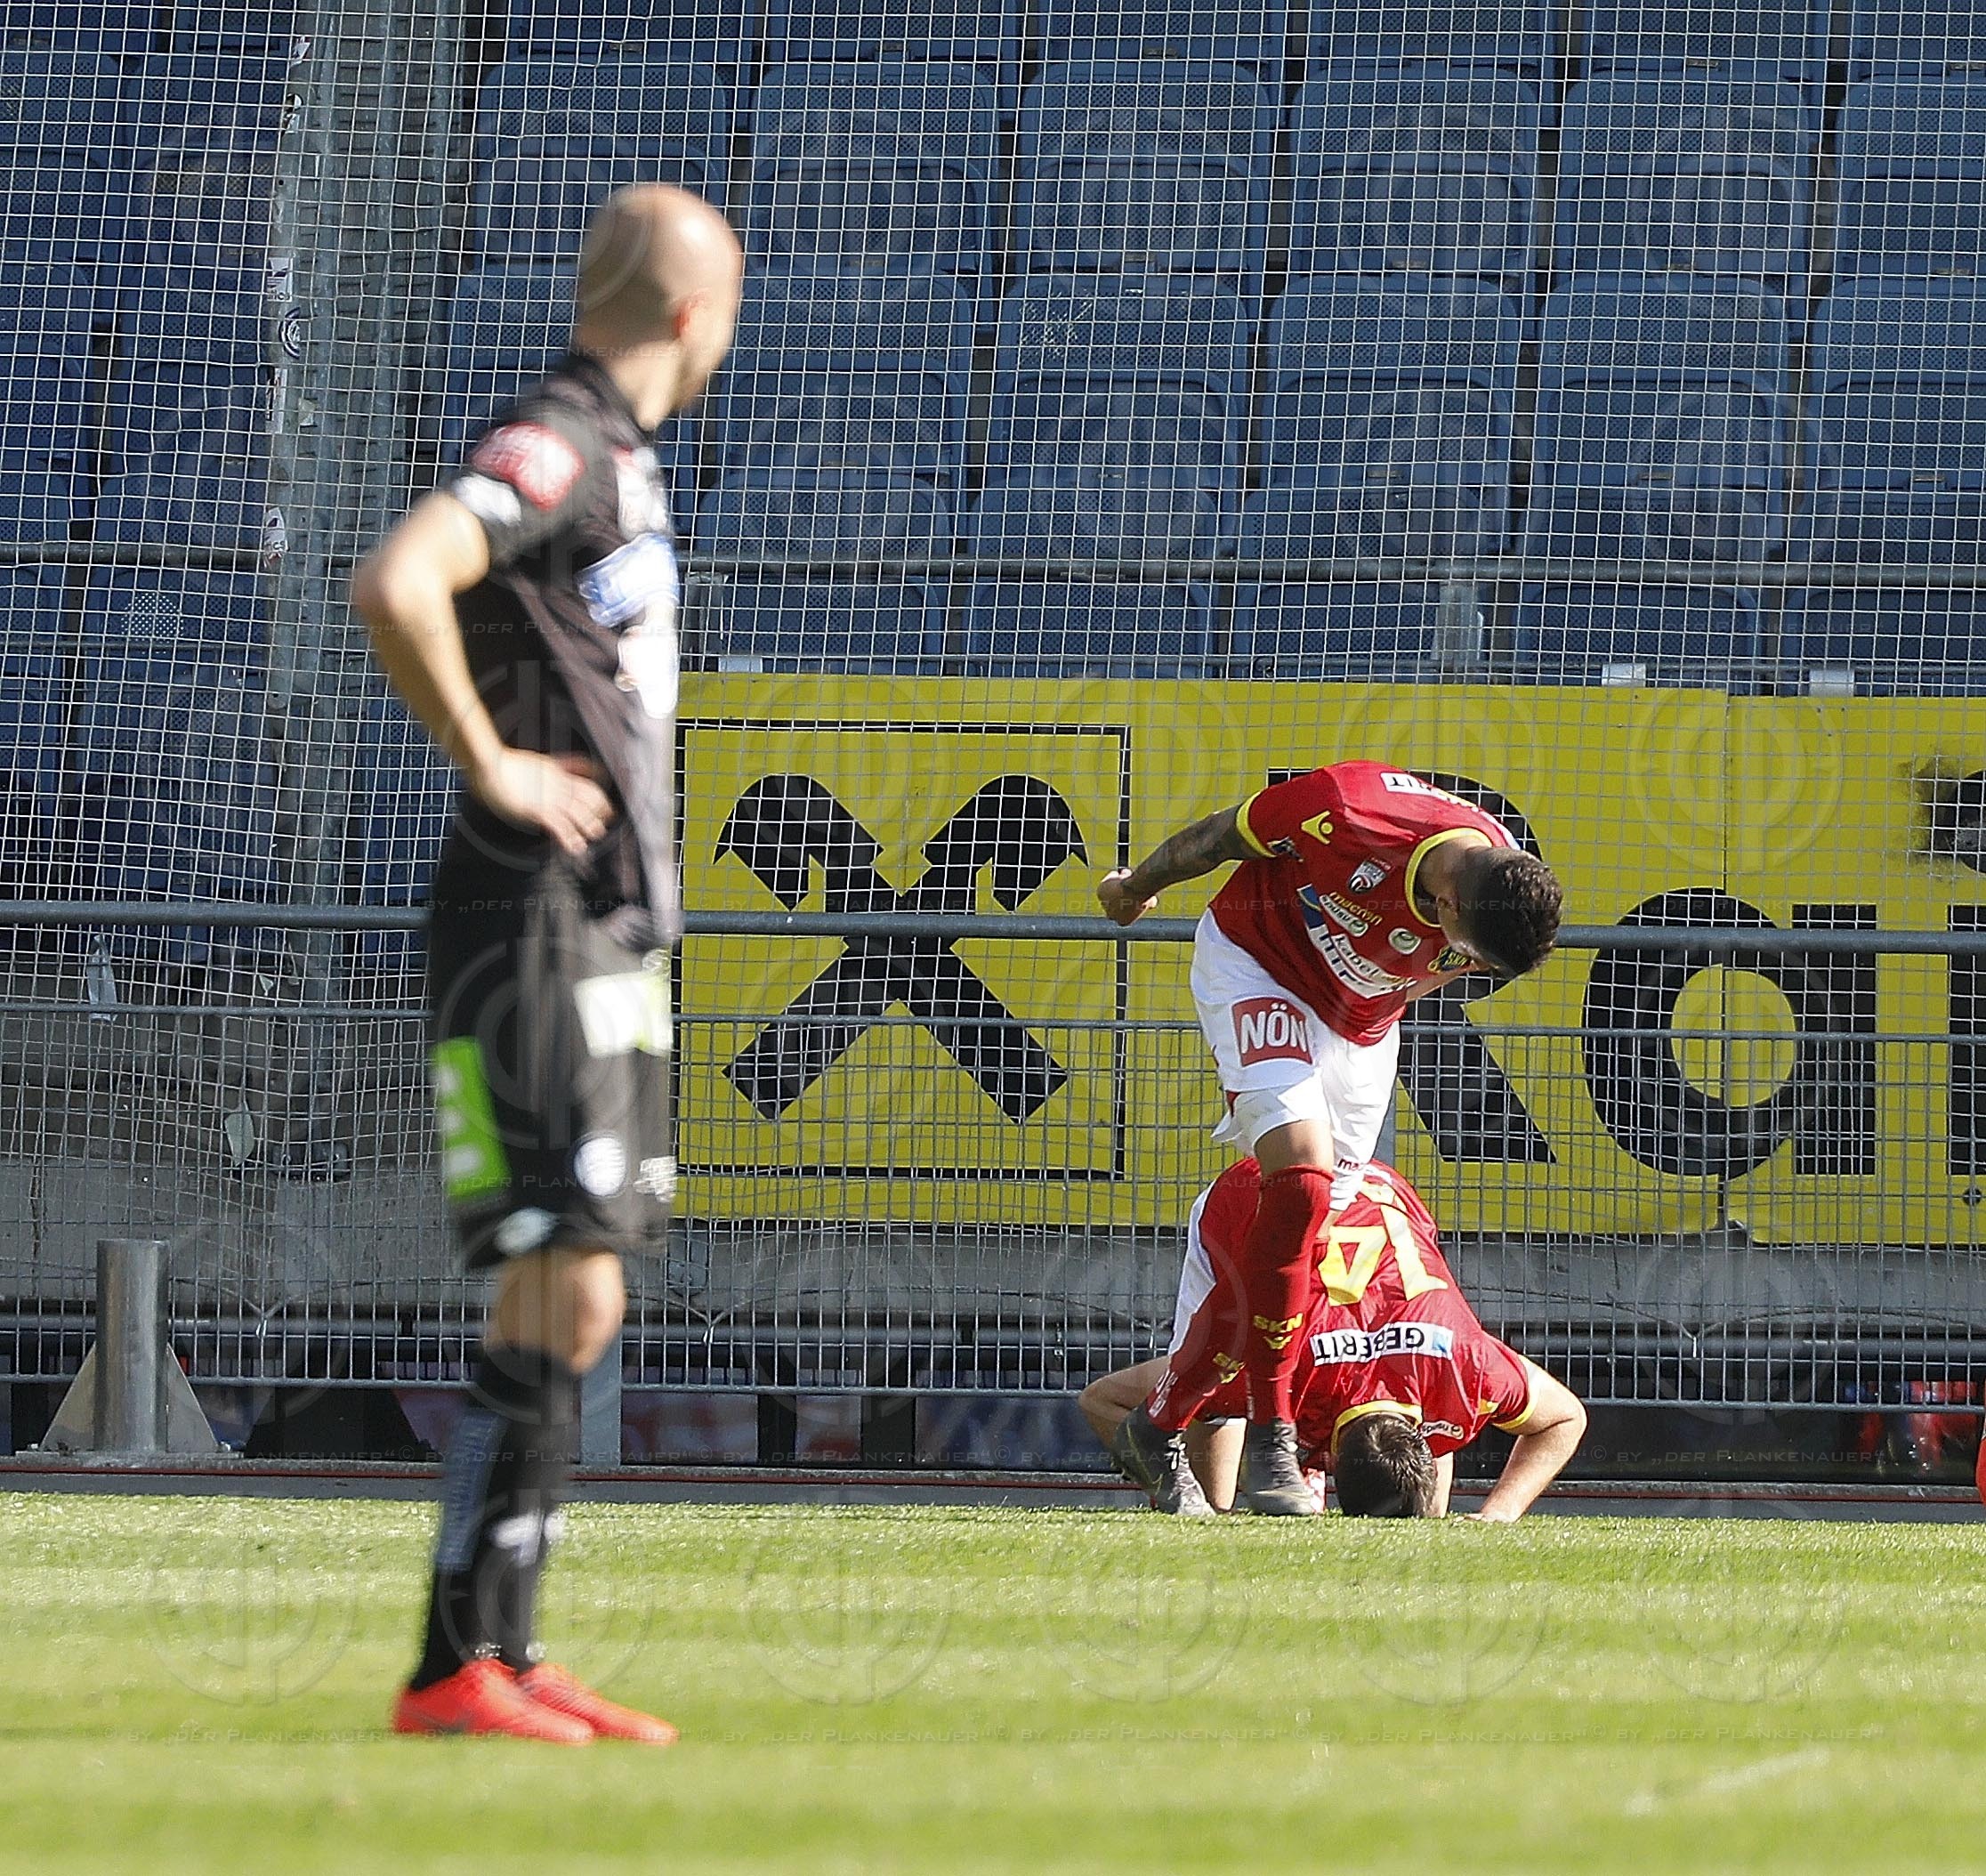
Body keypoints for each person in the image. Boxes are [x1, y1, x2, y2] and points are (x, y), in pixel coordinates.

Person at [352, 186, 743, 1743]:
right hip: (528, 917)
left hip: (599, 926)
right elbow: (399, 576)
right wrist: (494, 762)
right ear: (696, 316)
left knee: (572, 1290)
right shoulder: (560, 440)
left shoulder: (624, 465)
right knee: (566, 1277)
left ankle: (495, 1657)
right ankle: (459, 1657)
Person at [1096, 762, 1562, 1515]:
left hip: (1364, 1022)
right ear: (1445, 896)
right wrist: (1134, 887)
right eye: (1466, 951)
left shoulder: (1503, 876)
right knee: (1303, 1177)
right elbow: (1218, 836)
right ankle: (1273, 1430)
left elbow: (1437, 964)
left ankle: (1158, 1423)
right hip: (1262, 968)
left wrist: (1392, 988)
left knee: (1313, 1229)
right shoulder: (1350, 813)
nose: (1464, 965)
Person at [1079, 1157, 1586, 1520]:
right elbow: (1105, 1400)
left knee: (1439, 1407)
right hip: (1250, 1200)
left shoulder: (1466, 1368)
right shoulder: (1289, 1361)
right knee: (1215, 1399)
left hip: (1379, 1190)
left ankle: (1394, 1517)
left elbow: (1561, 1418)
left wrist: (1491, 1520)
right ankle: (1219, 1513)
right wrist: (1175, 1484)